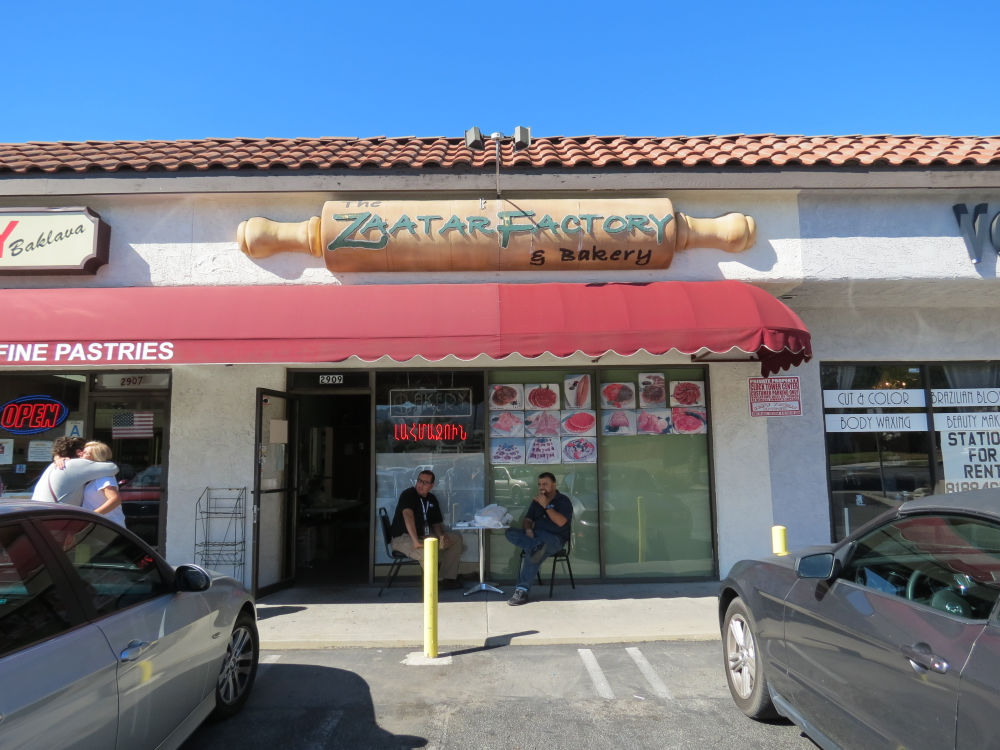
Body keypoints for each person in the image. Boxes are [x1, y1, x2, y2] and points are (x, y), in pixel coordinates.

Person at [504, 472, 573, 606]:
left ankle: (522, 590)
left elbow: (561, 522)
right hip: (535, 536)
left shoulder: (563, 500)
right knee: (510, 532)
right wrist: (528, 529)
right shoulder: (536, 502)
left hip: (554, 539)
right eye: (539, 484)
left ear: (554, 485)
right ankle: (535, 545)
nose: (541, 487)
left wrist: (546, 506)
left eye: (545, 484)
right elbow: (527, 520)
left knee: (534, 551)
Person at [389, 469, 465, 590]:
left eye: (425, 482)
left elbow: (435, 522)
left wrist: (441, 536)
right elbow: (408, 516)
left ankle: (447, 578)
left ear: (431, 485)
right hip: (403, 537)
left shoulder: (431, 498)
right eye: (419, 481)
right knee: (427, 553)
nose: (420, 484)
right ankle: (433, 585)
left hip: (424, 536)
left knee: (455, 539)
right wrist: (415, 541)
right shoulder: (408, 494)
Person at [31, 436, 119, 506]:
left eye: (85, 452)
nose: (81, 454)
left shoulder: (54, 465)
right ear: (77, 452)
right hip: (56, 517)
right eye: (82, 451)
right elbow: (113, 467)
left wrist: (57, 456)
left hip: (39, 513)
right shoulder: (78, 464)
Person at [80, 441, 126, 527]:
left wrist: (92, 515)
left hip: (108, 527)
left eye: (86, 453)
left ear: (95, 457)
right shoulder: (94, 477)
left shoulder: (104, 477)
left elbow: (115, 500)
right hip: (99, 525)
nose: (81, 454)